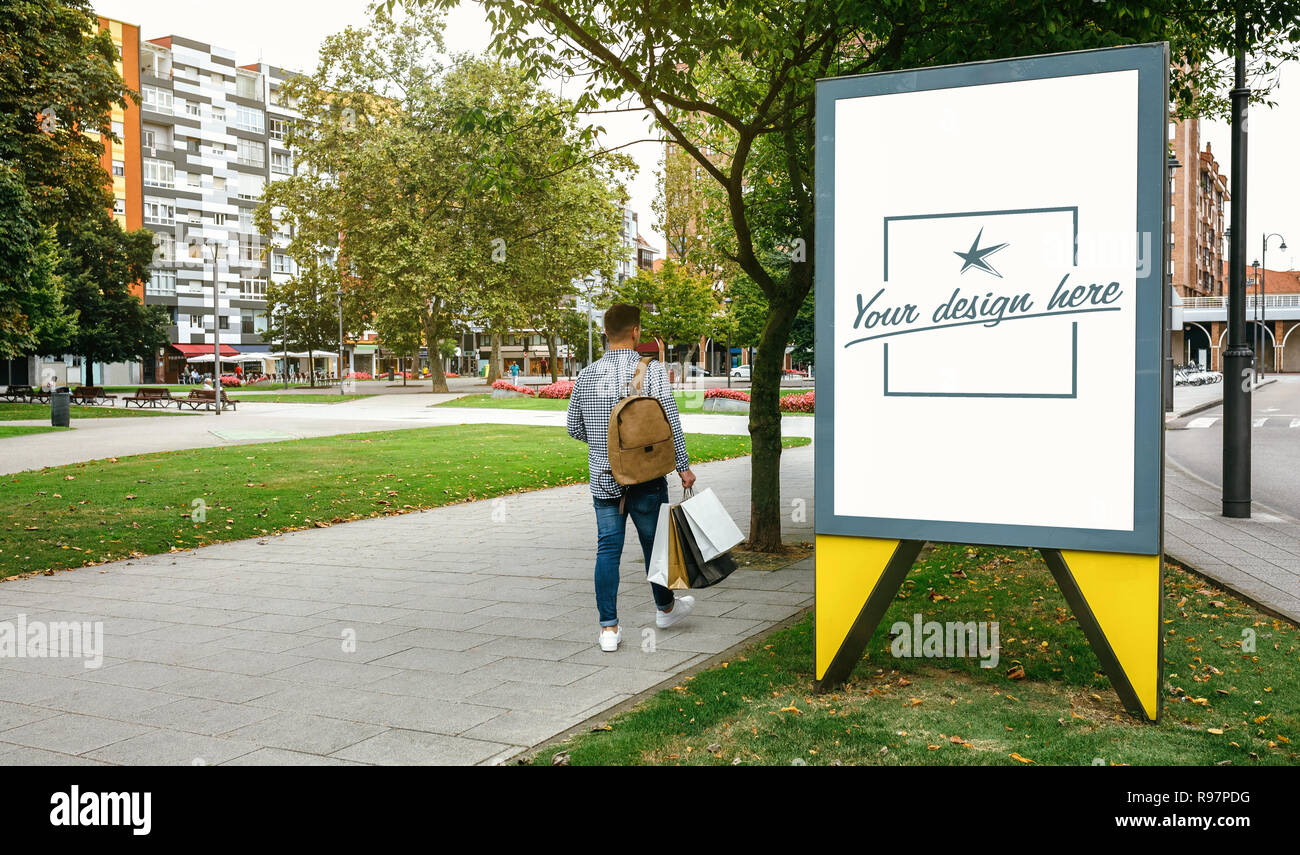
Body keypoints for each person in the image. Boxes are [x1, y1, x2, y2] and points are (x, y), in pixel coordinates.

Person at [566, 303, 697, 652]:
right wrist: (682, 466)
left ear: (605, 333)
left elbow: (573, 427)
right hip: (646, 475)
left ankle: (609, 629)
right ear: (636, 332)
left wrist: (604, 446)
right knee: (655, 545)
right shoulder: (650, 371)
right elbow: (669, 423)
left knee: (607, 549)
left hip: (603, 477)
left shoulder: (586, 374)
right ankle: (665, 608)